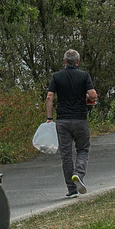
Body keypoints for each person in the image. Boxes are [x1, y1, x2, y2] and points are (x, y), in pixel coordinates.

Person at [45, 49, 97, 198]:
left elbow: (50, 97)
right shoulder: (84, 76)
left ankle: (72, 189)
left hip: (62, 120)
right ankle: (78, 174)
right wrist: (89, 96)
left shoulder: (57, 76)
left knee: (66, 155)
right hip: (80, 119)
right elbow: (92, 95)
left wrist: (49, 117)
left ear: (64, 61)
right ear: (78, 61)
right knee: (83, 149)